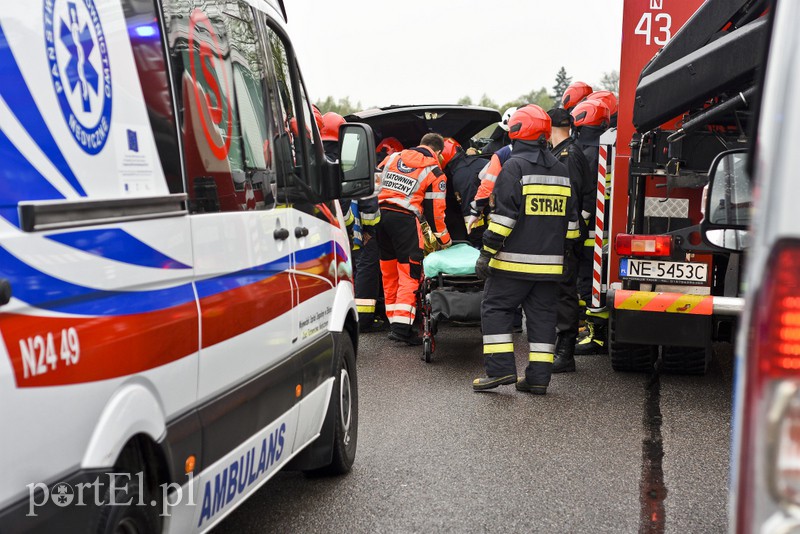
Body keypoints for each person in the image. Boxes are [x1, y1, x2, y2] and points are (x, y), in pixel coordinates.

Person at [472, 105, 580, 394]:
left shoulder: (514, 167)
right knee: (543, 319)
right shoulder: (560, 169)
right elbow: (572, 223)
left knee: (495, 308)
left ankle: (500, 372)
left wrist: (486, 253)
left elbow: (504, 219)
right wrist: (565, 255)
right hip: (550, 267)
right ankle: (538, 378)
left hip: (512, 265)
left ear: (517, 132)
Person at [377, 133, 451, 345]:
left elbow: (372, 184)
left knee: (389, 271)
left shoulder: (392, 158)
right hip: (405, 221)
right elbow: (436, 214)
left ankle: (394, 322)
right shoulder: (434, 170)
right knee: (410, 273)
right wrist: (445, 241)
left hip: (380, 217)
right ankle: (402, 329)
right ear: (437, 152)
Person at [548, 107, 593, 373]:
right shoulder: (564, 151)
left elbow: (573, 201)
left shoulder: (568, 155)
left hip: (566, 237)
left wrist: (568, 234)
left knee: (565, 291)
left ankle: (565, 353)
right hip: (563, 235)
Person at [571, 99, 612, 355]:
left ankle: (597, 337)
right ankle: (597, 331)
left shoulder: (583, 153)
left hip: (590, 233)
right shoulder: (610, 145)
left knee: (589, 282)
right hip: (606, 228)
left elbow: (579, 194)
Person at [440, 137, 492, 247]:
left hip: (491, 232)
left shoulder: (462, 175)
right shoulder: (480, 162)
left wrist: (477, 244)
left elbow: (472, 213)